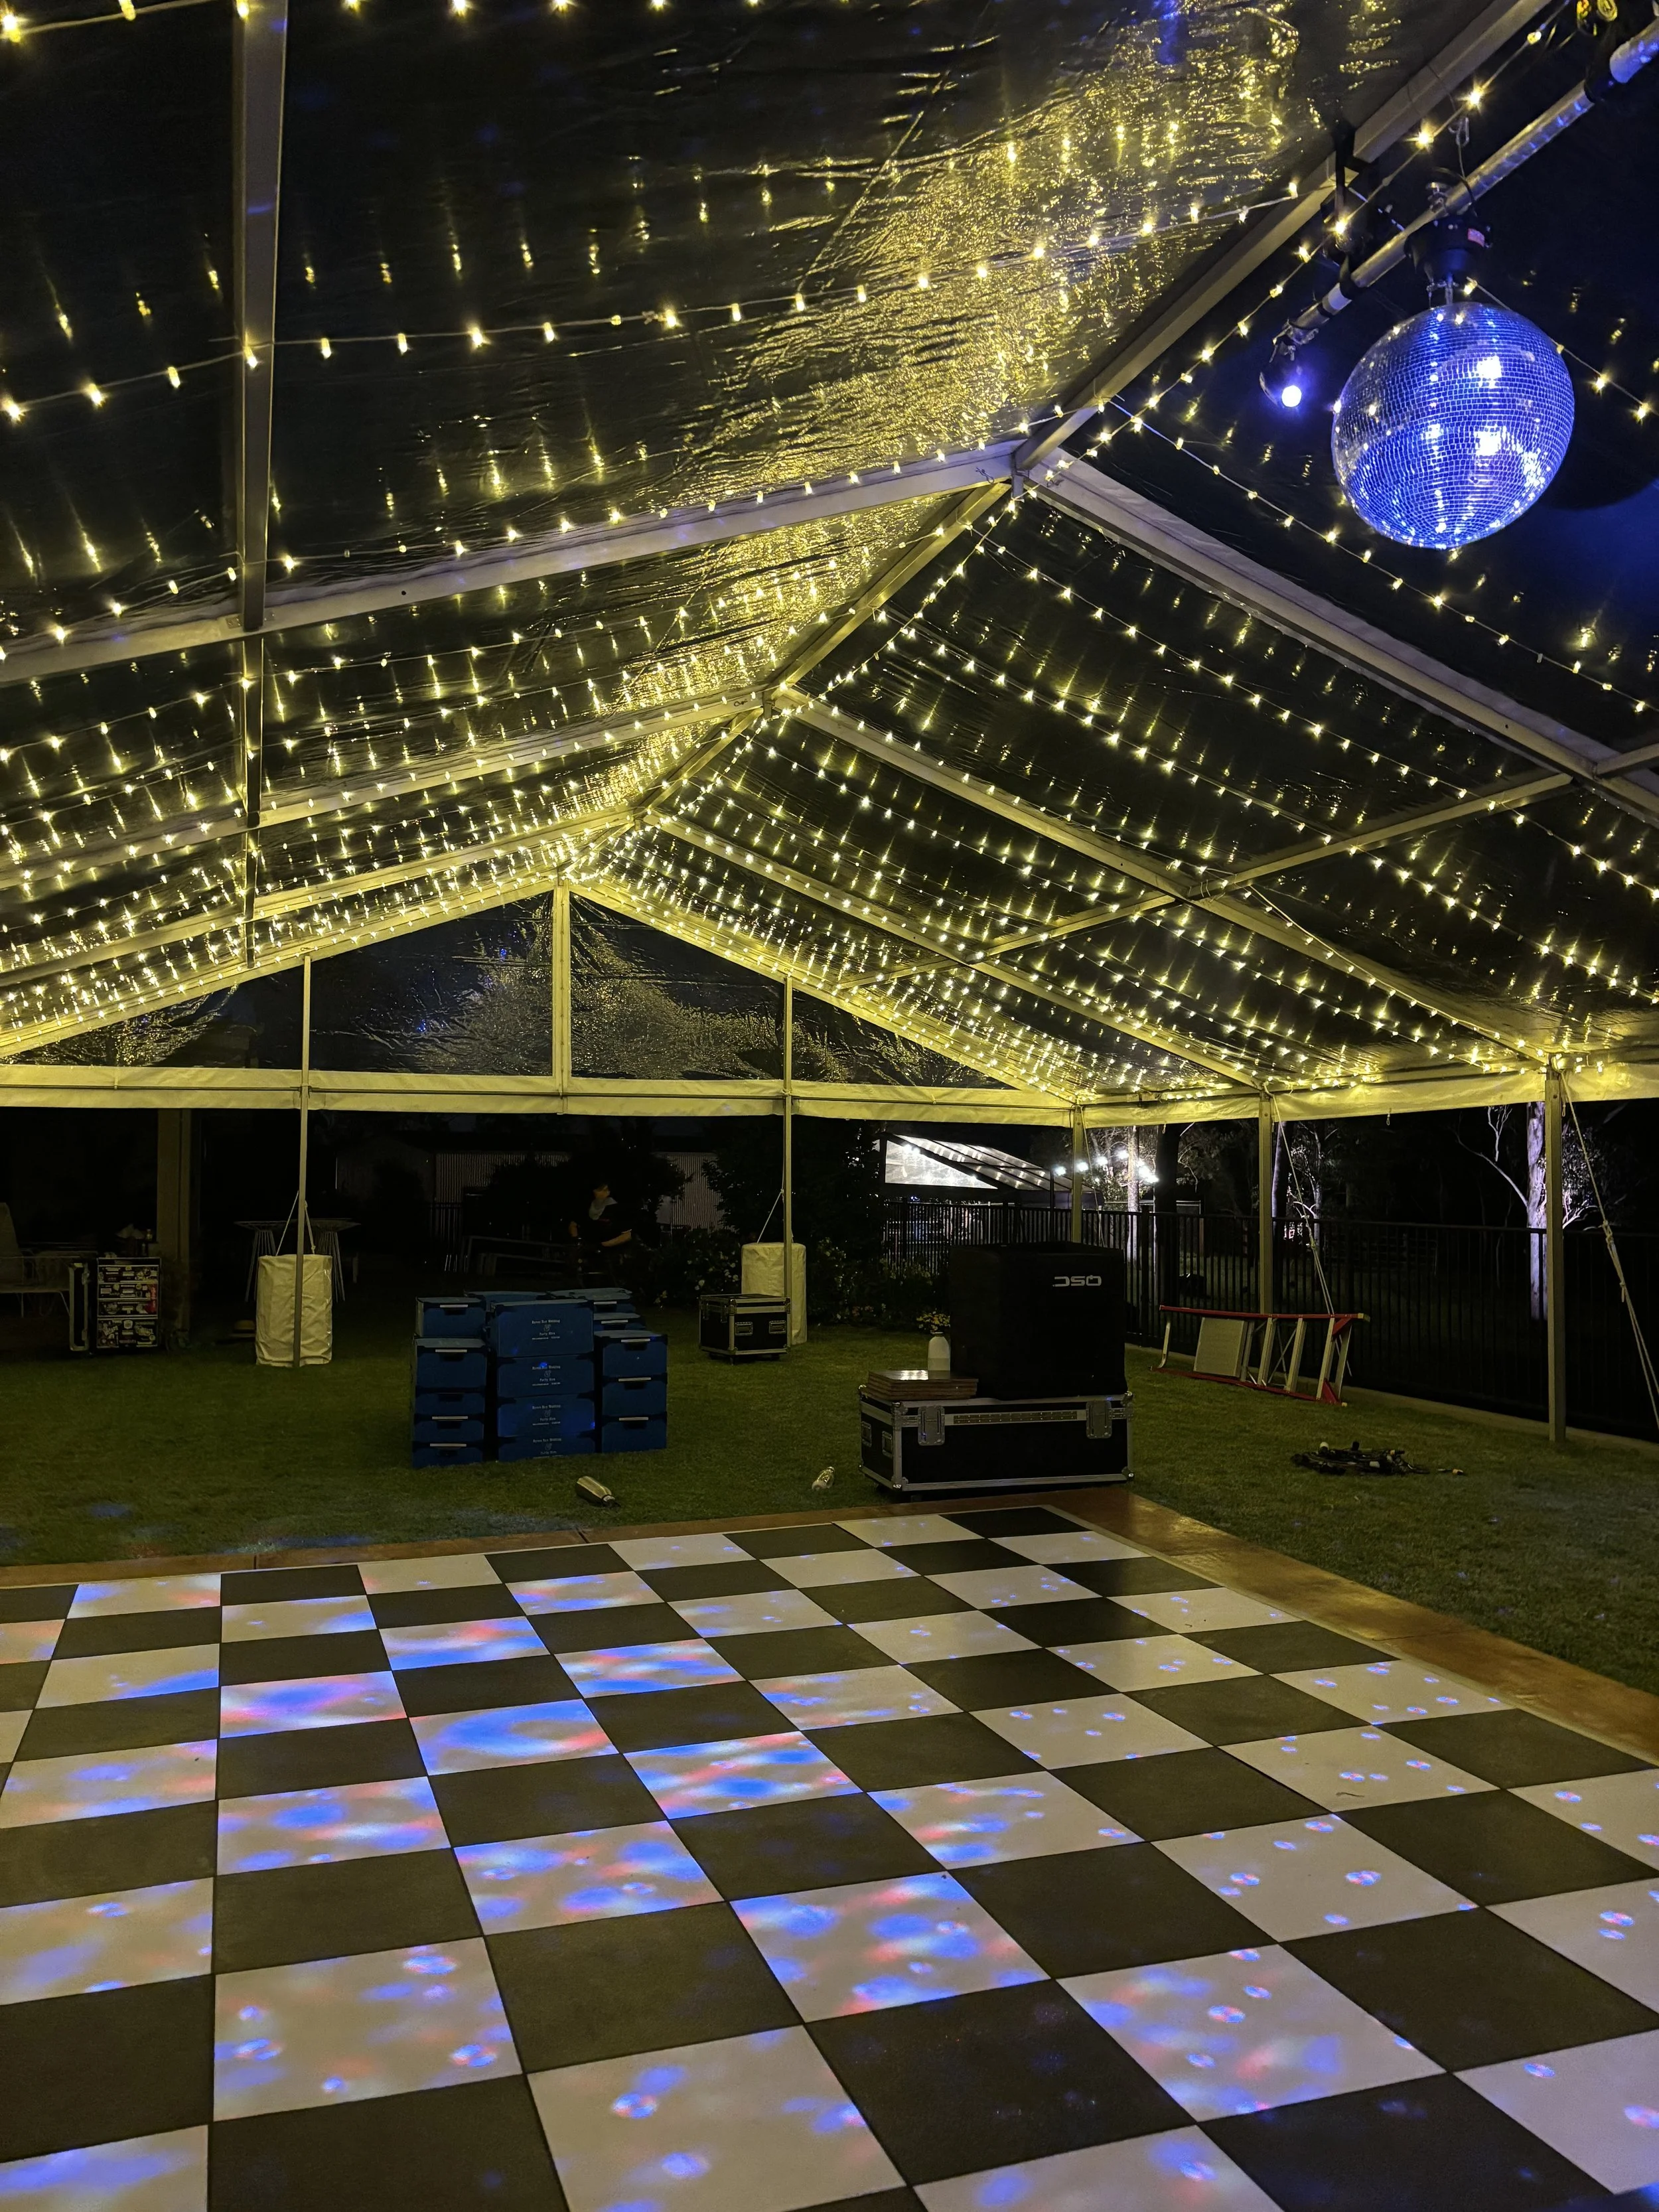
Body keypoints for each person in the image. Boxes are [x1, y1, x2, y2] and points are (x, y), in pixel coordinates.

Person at [569, 1181, 634, 1278]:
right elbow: (573, 1224)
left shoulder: (616, 1209)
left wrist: (605, 1245)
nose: (605, 1193)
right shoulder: (587, 1207)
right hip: (589, 1254)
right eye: (601, 1190)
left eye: (607, 1190)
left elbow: (628, 1234)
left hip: (612, 1255)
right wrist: (577, 1241)